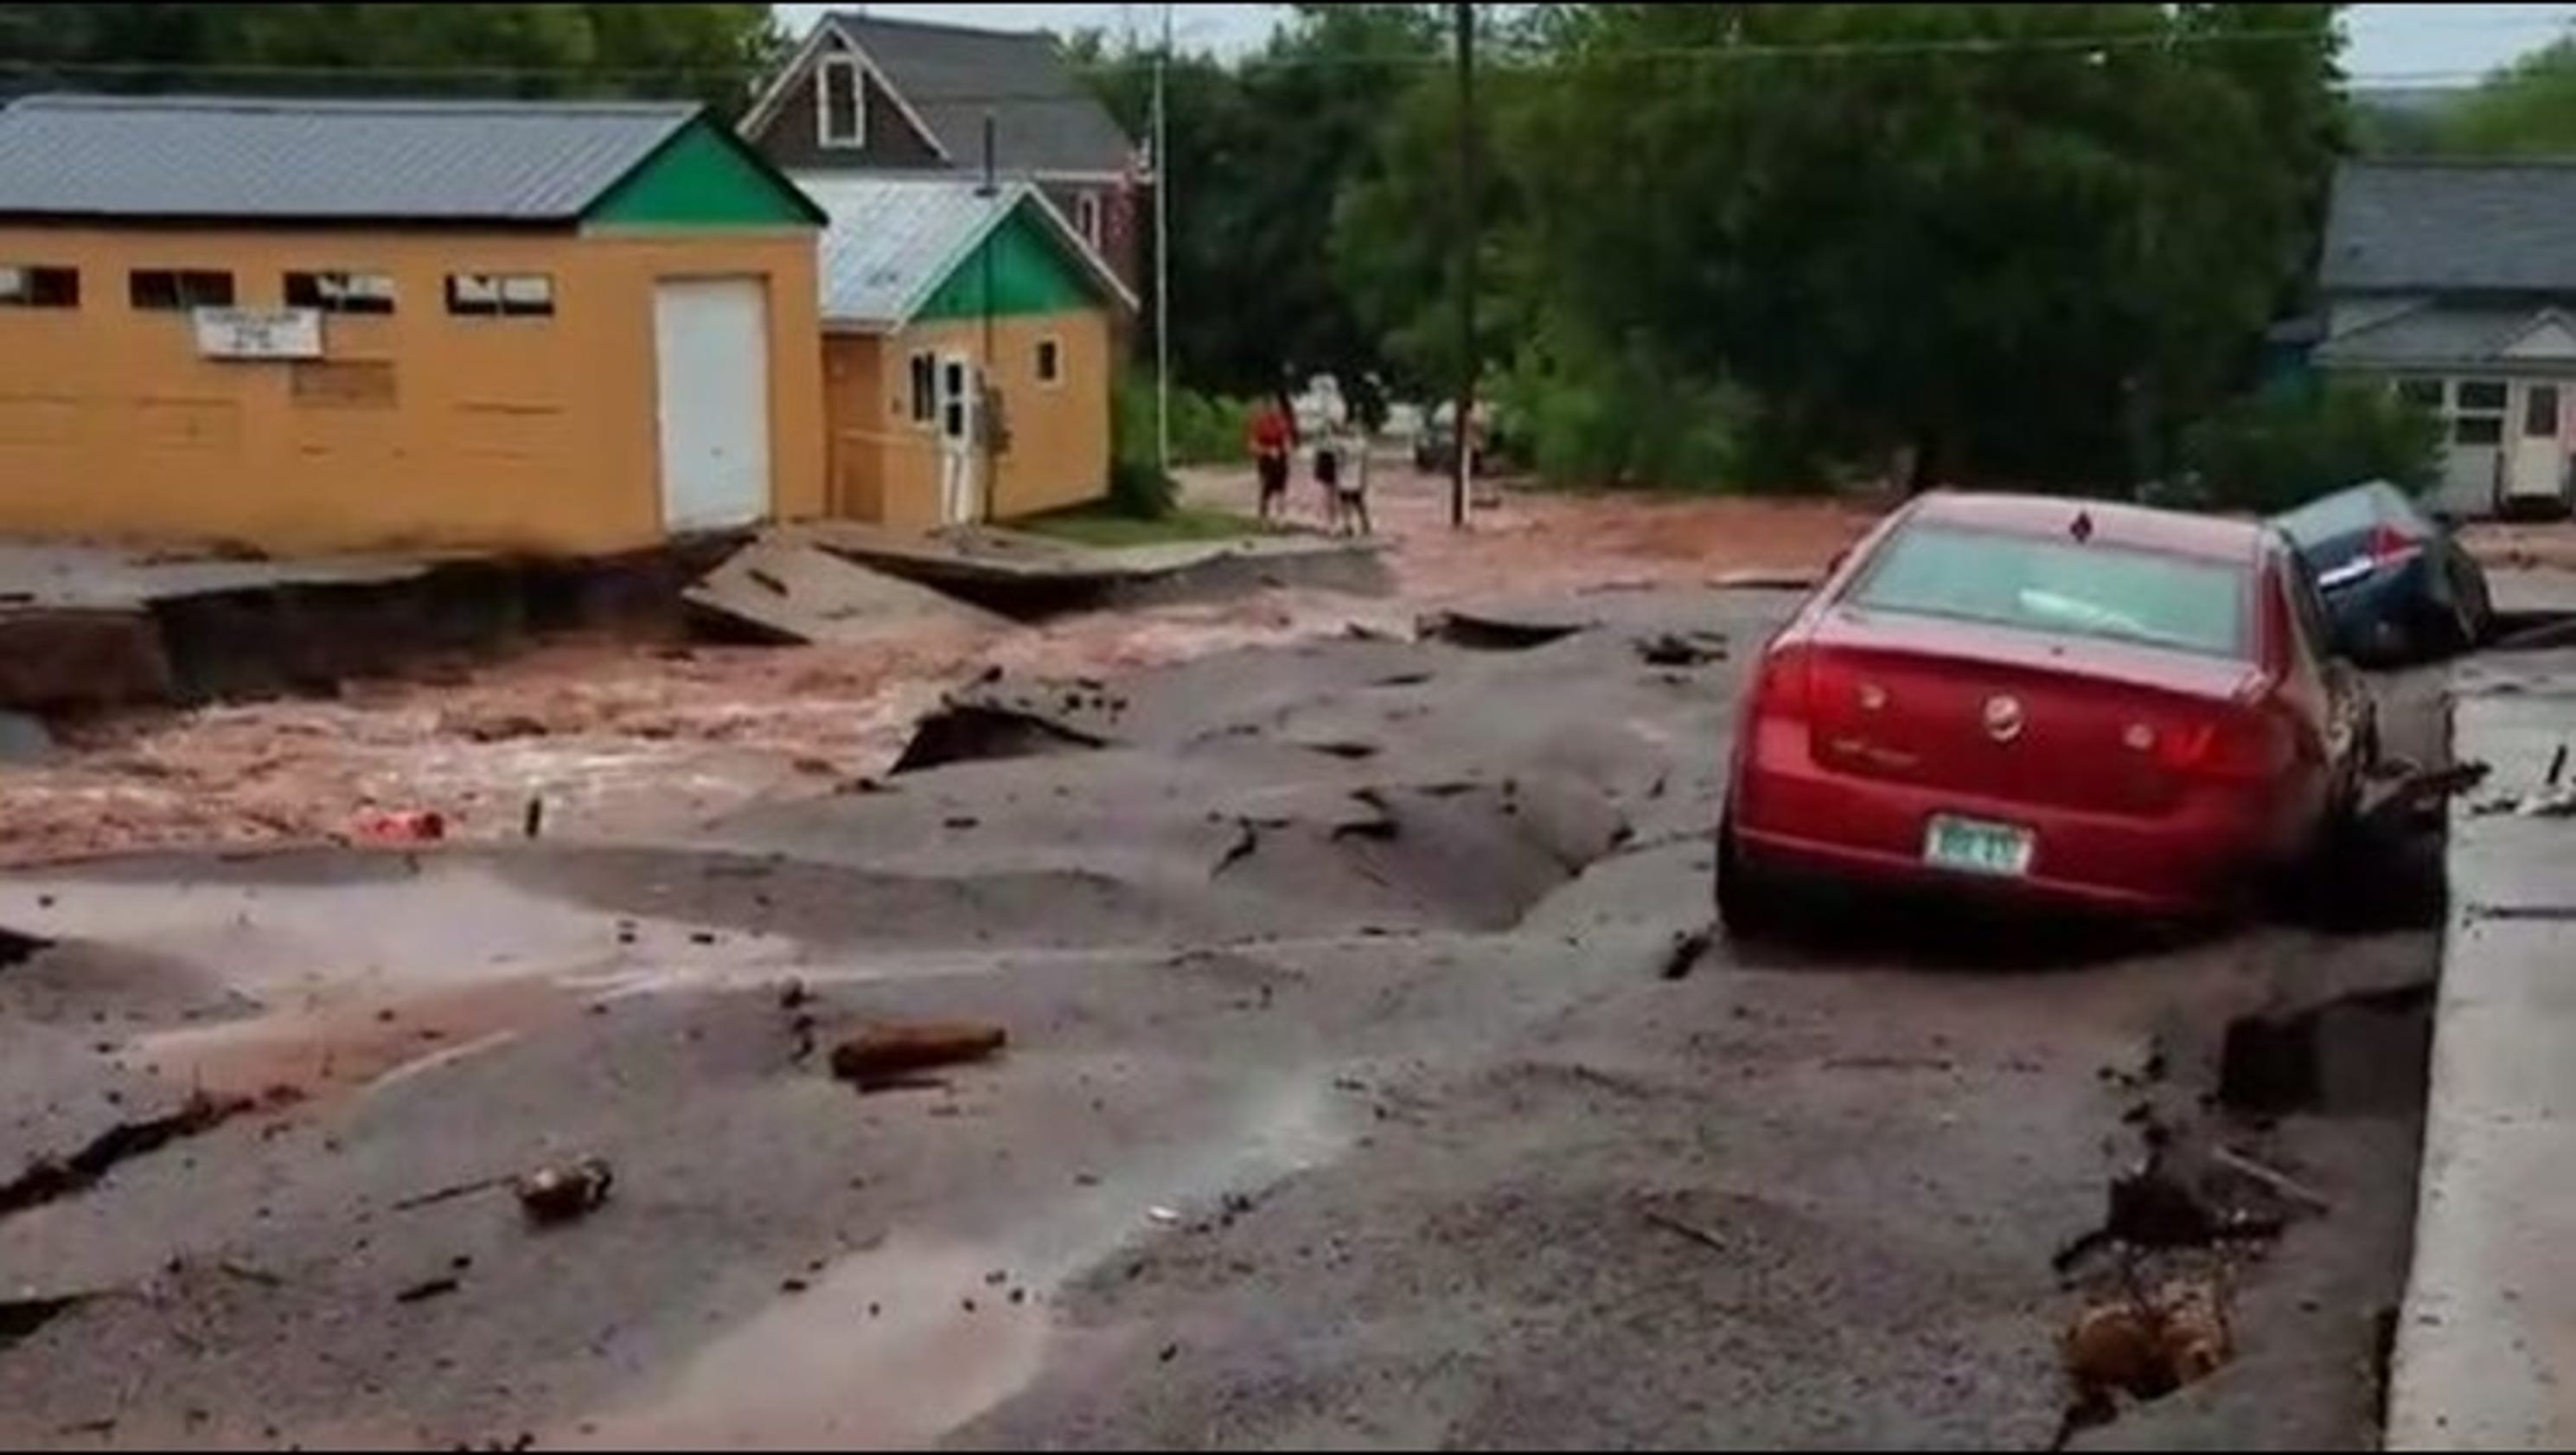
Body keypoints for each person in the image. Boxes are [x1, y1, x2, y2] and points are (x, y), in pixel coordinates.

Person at [1248, 395, 1293, 522]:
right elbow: (1252, 445)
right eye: (1273, 407)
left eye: (1277, 407)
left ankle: (1281, 517)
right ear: (1268, 408)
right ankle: (1264, 517)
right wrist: (1267, 451)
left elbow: (1287, 439)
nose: (1276, 409)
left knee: (1281, 490)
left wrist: (1287, 446)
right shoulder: (1260, 422)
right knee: (1266, 489)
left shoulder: (1283, 422)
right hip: (1266, 461)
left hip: (1281, 459)